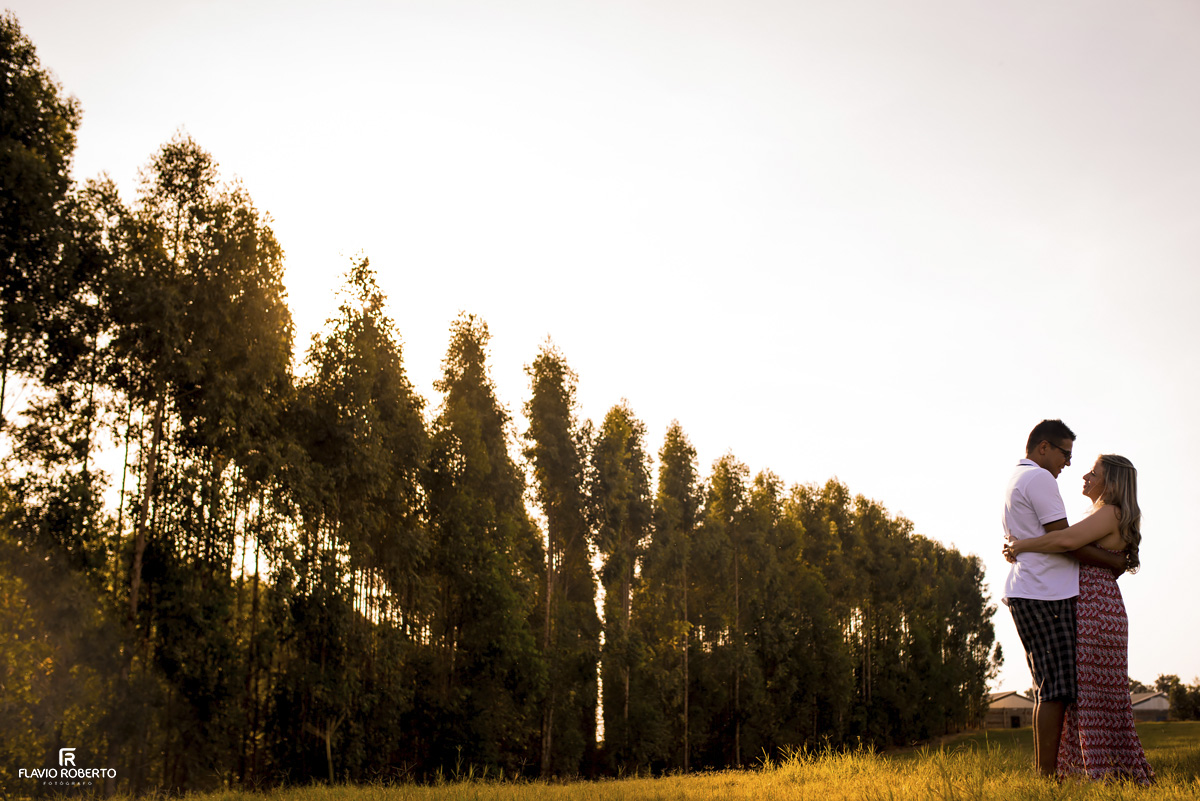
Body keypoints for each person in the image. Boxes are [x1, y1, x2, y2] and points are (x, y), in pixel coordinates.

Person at [1006, 454, 1153, 785]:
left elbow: (1066, 541)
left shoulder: (1110, 513)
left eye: (1094, 473)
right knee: (1095, 694)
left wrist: (1022, 545)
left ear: (1112, 483)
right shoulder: (1108, 515)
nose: (1085, 476)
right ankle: (1103, 771)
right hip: (1097, 607)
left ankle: (1109, 773)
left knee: (1096, 694)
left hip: (1096, 611)